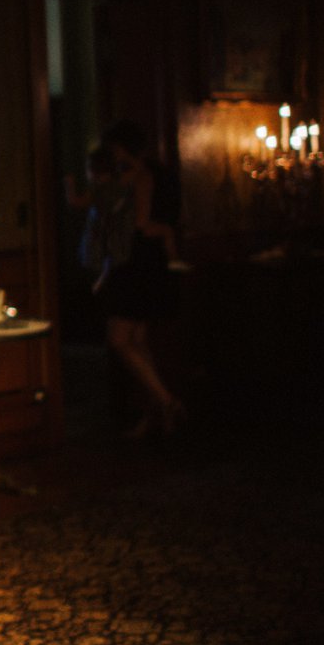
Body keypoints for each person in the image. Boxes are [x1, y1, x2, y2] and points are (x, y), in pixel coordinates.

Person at [95, 121, 185, 438]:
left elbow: (142, 222)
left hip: (136, 262)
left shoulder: (142, 176)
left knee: (119, 339)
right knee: (137, 341)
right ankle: (157, 414)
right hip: (150, 262)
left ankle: (165, 400)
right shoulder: (159, 174)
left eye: (115, 150)